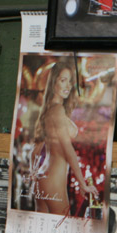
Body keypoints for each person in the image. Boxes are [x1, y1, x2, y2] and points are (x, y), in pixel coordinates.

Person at [31, 60, 98, 216]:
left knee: (42, 226)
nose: (68, 85)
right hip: (55, 180)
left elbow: (36, 150)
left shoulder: (49, 110)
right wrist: (83, 184)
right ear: (54, 83)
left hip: (43, 178)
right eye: (63, 80)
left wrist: (34, 172)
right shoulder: (57, 110)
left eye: (70, 81)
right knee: (62, 226)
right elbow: (68, 149)